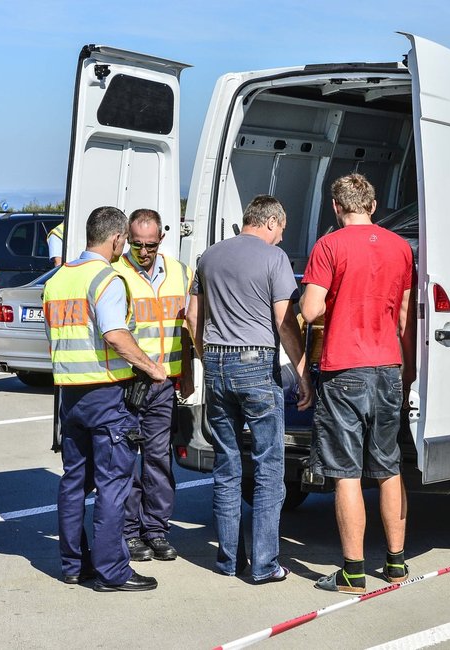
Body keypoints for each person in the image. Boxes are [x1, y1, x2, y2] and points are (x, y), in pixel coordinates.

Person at [185, 195, 312, 584]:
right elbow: (285, 322)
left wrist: (207, 357)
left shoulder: (208, 256)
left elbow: (192, 315)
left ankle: (227, 561)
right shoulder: (275, 260)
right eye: (282, 231)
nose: (280, 239)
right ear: (271, 221)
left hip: (218, 363)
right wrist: (304, 371)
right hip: (255, 362)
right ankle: (264, 564)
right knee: (269, 467)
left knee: (227, 465)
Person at [300, 173, 414, 594]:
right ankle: (397, 564)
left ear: (335, 206)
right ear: (374, 204)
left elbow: (310, 310)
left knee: (346, 474)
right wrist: (409, 367)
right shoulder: (400, 248)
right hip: (388, 366)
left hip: (345, 369)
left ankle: (352, 571)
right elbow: (405, 317)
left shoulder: (329, 246)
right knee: (388, 467)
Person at [44, 205, 168, 592]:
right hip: (105, 393)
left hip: (69, 394)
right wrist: (151, 367)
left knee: (73, 481)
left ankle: (73, 565)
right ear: (116, 239)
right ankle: (112, 571)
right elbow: (114, 334)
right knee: (113, 484)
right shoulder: (107, 279)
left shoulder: (58, 278)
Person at [113, 209, 192, 563]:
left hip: (164, 383)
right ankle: (130, 532)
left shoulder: (180, 272)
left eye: (149, 245)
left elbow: (187, 329)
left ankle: (156, 530)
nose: (143, 252)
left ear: (162, 239)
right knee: (128, 459)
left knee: (159, 460)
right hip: (128, 382)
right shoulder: (116, 273)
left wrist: (187, 373)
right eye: (136, 244)